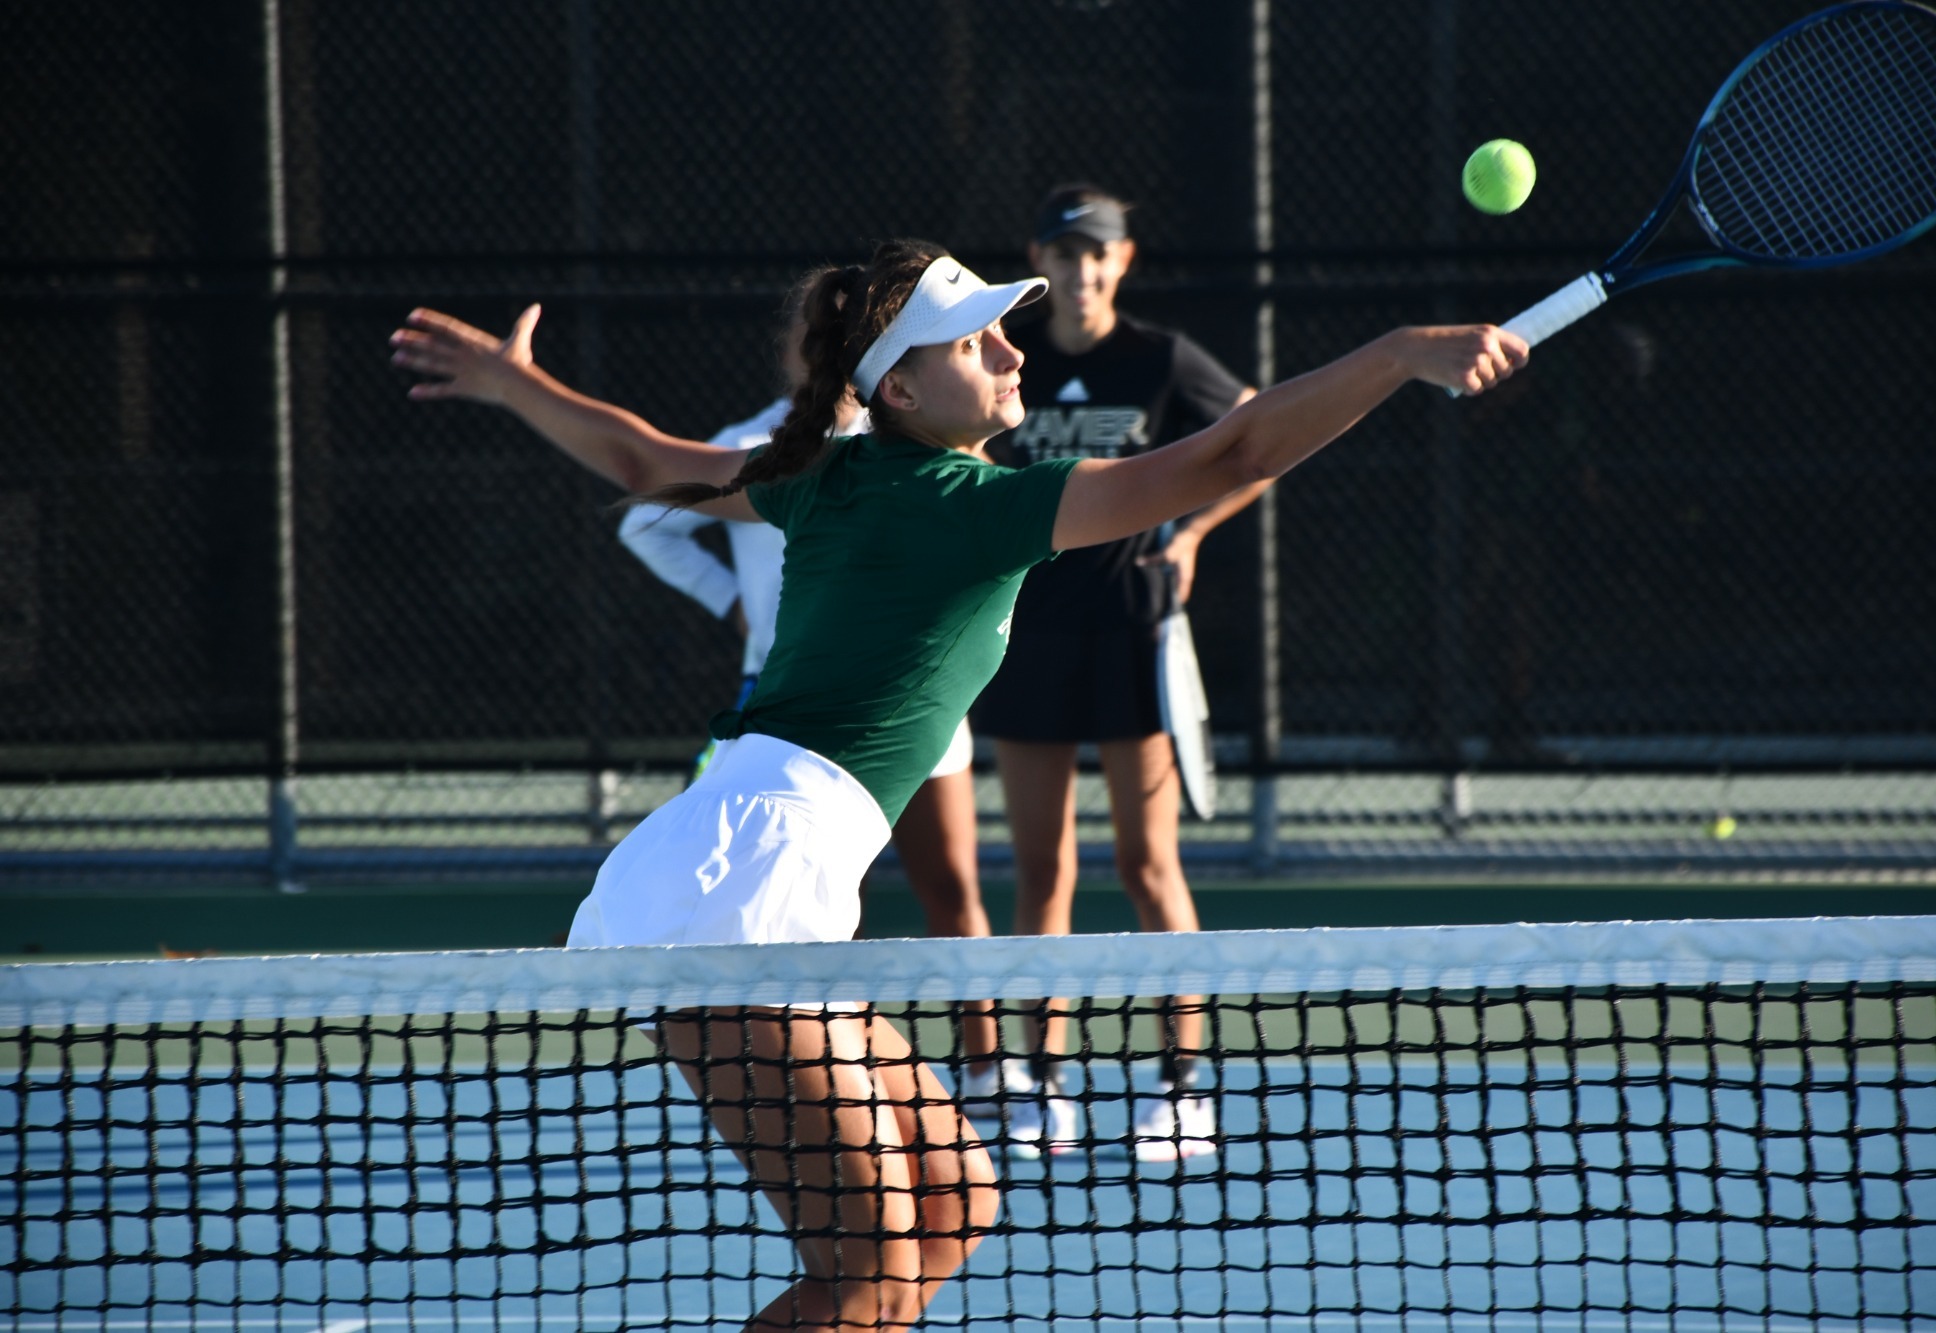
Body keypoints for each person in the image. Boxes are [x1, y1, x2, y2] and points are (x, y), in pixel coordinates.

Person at [390, 238, 1523, 1332]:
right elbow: (1227, 456)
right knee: (865, 1266)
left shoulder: (828, 478)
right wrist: (1396, 353)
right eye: (977, 341)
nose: (1013, 353)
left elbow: (644, 460)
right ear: (901, 390)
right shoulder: (964, 508)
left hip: (756, 868)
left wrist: (514, 384)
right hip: (747, 879)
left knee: (954, 1201)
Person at [616, 279, 1023, 1102]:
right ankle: (827, 1069)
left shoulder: (915, 442)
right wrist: (728, 600)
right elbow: (640, 512)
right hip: (795, 727)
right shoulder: (767, 449)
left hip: (914, 709)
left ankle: (987, 1064)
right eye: (818, 334)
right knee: (816, 903)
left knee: (952, 888)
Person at [976, 184, 1267, 1161]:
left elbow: (1258, 441)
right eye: (1063, 252)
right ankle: (1040, 1087)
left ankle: (1181, 1088)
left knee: (1148, 867)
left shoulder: (1160, 359)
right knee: (1042, 871)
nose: (1079, 268)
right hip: (1027, 638)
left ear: (1122, 260)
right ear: (1038, 258)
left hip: (1133, 634)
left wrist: (1189, 534)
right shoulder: (1003, 355)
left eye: (1096, 252)